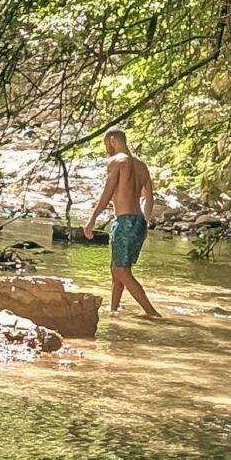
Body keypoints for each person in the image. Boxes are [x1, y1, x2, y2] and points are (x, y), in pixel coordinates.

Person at [84, 126, 161, 317]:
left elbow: (107, 193)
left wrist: (92, 220)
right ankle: (114, 311)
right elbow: (149, 198)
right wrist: (145, 220)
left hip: (124, 220)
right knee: (116, 269)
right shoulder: (141, 166)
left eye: (106, 145)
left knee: (121, 270)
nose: (106, 149)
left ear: (112, 139)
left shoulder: (117, 161)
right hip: (138, 221)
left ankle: (152, 313)